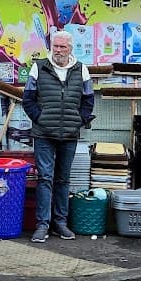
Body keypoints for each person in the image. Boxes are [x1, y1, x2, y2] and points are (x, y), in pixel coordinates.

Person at [21, 29, 95, 242]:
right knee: (45, 178)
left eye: (63, 47)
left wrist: (78, 120)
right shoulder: (39, 67)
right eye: (56, 46)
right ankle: (42, 225)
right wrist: (40, 118)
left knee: (63, 179)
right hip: (43, 134)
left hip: (69, 134)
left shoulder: (82, 70)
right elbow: (28, 99)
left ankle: (60, 223)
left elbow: (88, 101)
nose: (59, 50)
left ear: (70, 48)